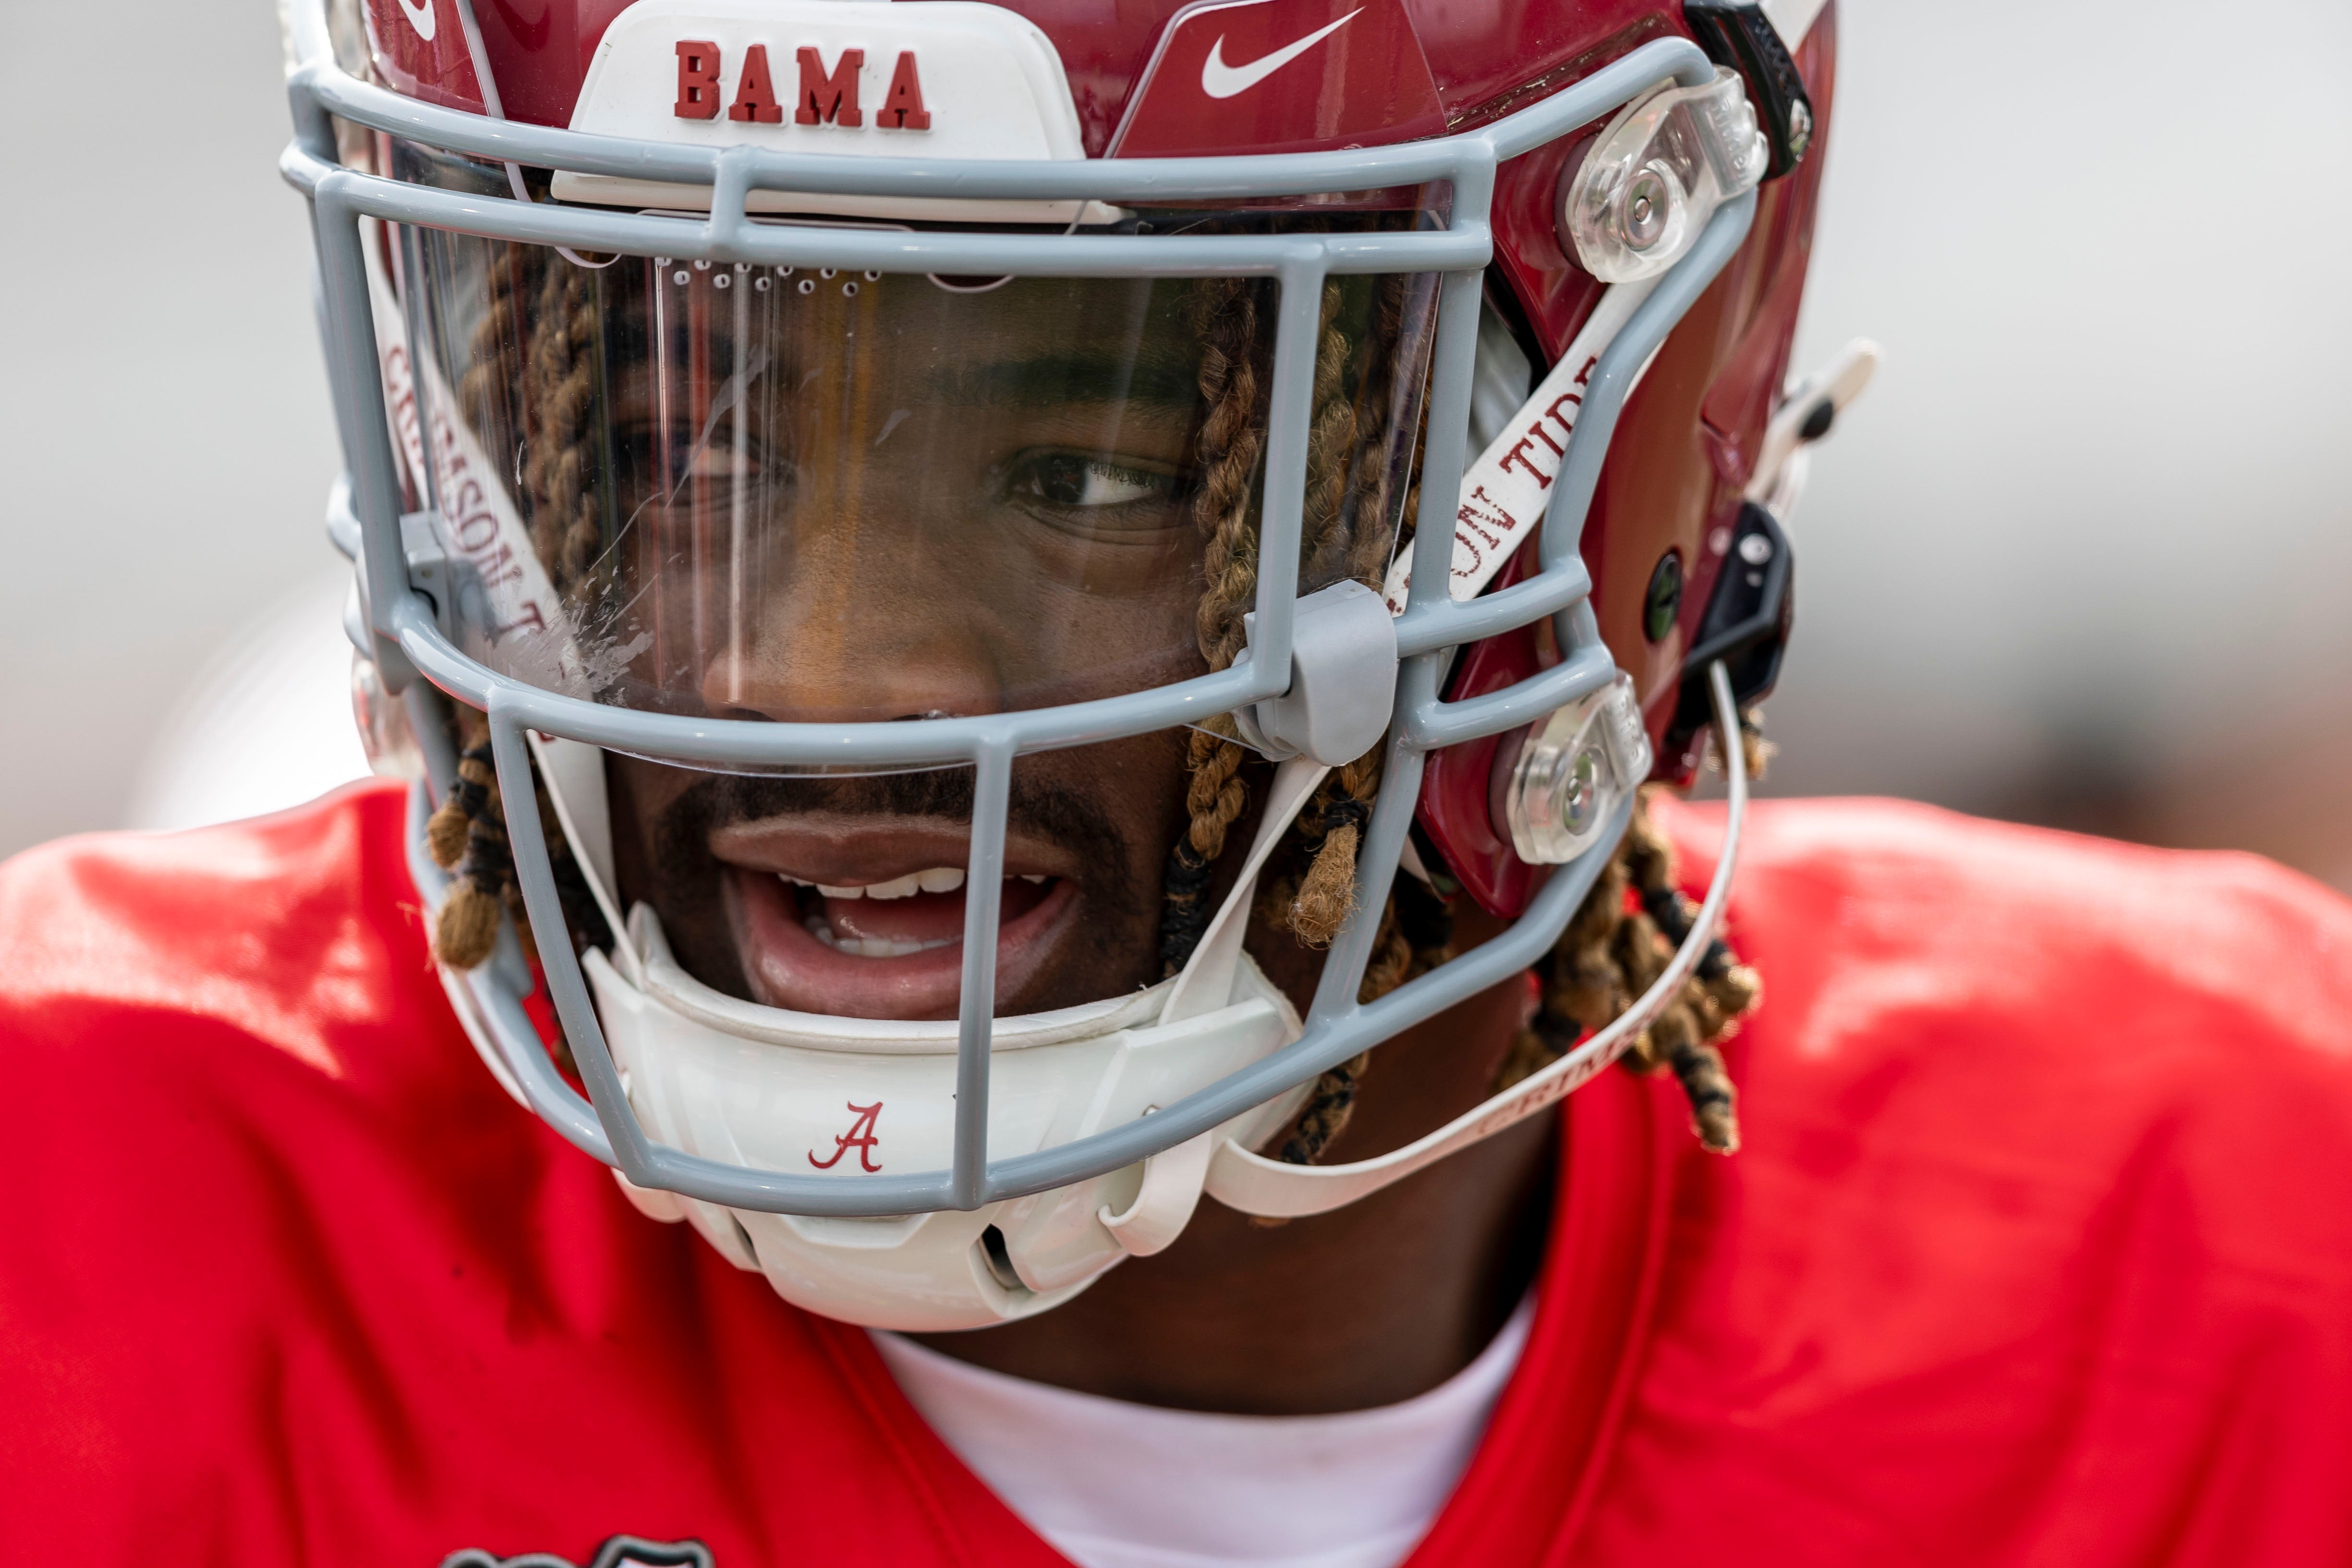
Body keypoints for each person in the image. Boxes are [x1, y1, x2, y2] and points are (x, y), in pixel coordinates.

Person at [5, 0, 2350, 1563]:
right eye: (663, 449)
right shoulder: (97, 1226)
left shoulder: (2225, 1245)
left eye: (1102, 464)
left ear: (1599, 440)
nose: (834, 683)